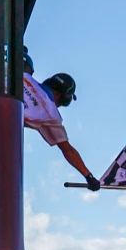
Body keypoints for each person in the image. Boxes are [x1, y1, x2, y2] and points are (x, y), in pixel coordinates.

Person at [21, 49, 101, 191]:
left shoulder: (25, 76)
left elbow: (23, 59)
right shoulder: (51, 114)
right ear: (62, 97)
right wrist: (89, 177)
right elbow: (67, 150)